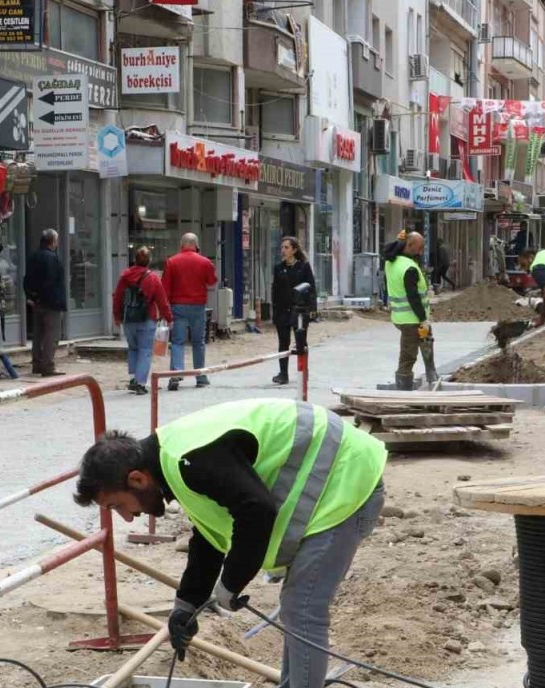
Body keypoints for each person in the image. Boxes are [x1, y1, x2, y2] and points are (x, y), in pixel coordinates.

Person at [72, 398, 386, 688]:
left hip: (347, 480)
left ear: (138, 479)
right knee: (297, 607)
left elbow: (256, 511)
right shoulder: (175, 464)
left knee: (303, 608)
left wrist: (230, 583)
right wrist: (186, 605)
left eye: (118, 506)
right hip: (334, 481)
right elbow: (208, 537)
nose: (127, 518)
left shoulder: (190, 459)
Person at [113, 247, 172, 395]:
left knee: (133, 348)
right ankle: (140, 383)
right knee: (145, 351)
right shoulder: (152, 278)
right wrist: (168, 317)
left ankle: (133, 378)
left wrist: (117, 316)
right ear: (149, 261)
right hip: (147, 318)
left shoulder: (125, 276)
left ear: (135, 259)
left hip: (128, 319)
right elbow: (162, 300)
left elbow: (118, 297)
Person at [162, 233, 217, 391]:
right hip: (197, 306)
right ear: (196, 245)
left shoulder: (171, 262)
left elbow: (165, 287)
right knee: (198, 342)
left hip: (177, 306)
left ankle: (176, 373)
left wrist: (165, 310)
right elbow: (212, 281)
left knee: (178, 341)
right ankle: (200, 376)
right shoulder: (204, 262)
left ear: (181, 244)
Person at [385, 231, 438, 389]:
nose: (420, 251)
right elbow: (413, 297)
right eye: (419, 247)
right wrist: (423, 319)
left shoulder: (391, 262)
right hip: (411, 319)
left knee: (426, 340)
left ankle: (432, 374)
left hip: (401, 317)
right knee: (408, 355)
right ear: (409, 245)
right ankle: (403, 388)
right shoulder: (409, 268)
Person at [270, 237, 315, 385]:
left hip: (299, 310)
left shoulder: (303, 267)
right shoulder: (278, 268)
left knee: (301, 342)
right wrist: (274, 311)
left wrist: (312, 310)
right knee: (283, 342)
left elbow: (311, 288)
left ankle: (303, 372)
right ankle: (283, 374)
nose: (283, 250)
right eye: (282, 247)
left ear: (294, 250)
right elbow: (275, 290)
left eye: (287, 247)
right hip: (282, 310)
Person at [24, 229, 66, 376]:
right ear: (53, 242)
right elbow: (52, 281)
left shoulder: (33, 256)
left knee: (38, 334)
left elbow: (27, 279)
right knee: (51, 335)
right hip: (51, 302)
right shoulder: (53, 258)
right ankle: (48, 365)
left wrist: (32, 296)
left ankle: (37, 364)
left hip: (37, 302)